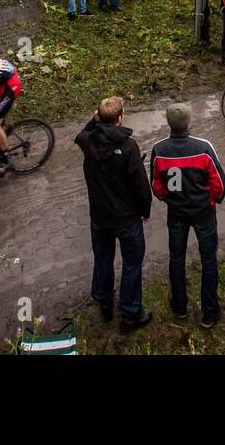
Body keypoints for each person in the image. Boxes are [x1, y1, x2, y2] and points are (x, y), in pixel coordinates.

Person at [75, 96, 153, 331]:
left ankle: (105, 302)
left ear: (98, 118)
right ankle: (130, 313)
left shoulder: (88, 142)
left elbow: (82, 133)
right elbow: (140, 185)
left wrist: (95, 118)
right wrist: (145, 210)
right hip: (126, 218)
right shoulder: (129, 146)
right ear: (120, 119)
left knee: (103, 258)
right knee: (132, 264)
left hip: (99, 216)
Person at [150, 102, 225, 328]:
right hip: (204, 212)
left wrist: (169, 199)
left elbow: (157, 185)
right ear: (189, 122)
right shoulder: (204, 148)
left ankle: (180, 306)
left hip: (177, 214)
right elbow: (218, 183)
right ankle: (210, 312)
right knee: (208, 259)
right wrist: (214, 199)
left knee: (176, 258)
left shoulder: (160, 149)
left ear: (168, 123)